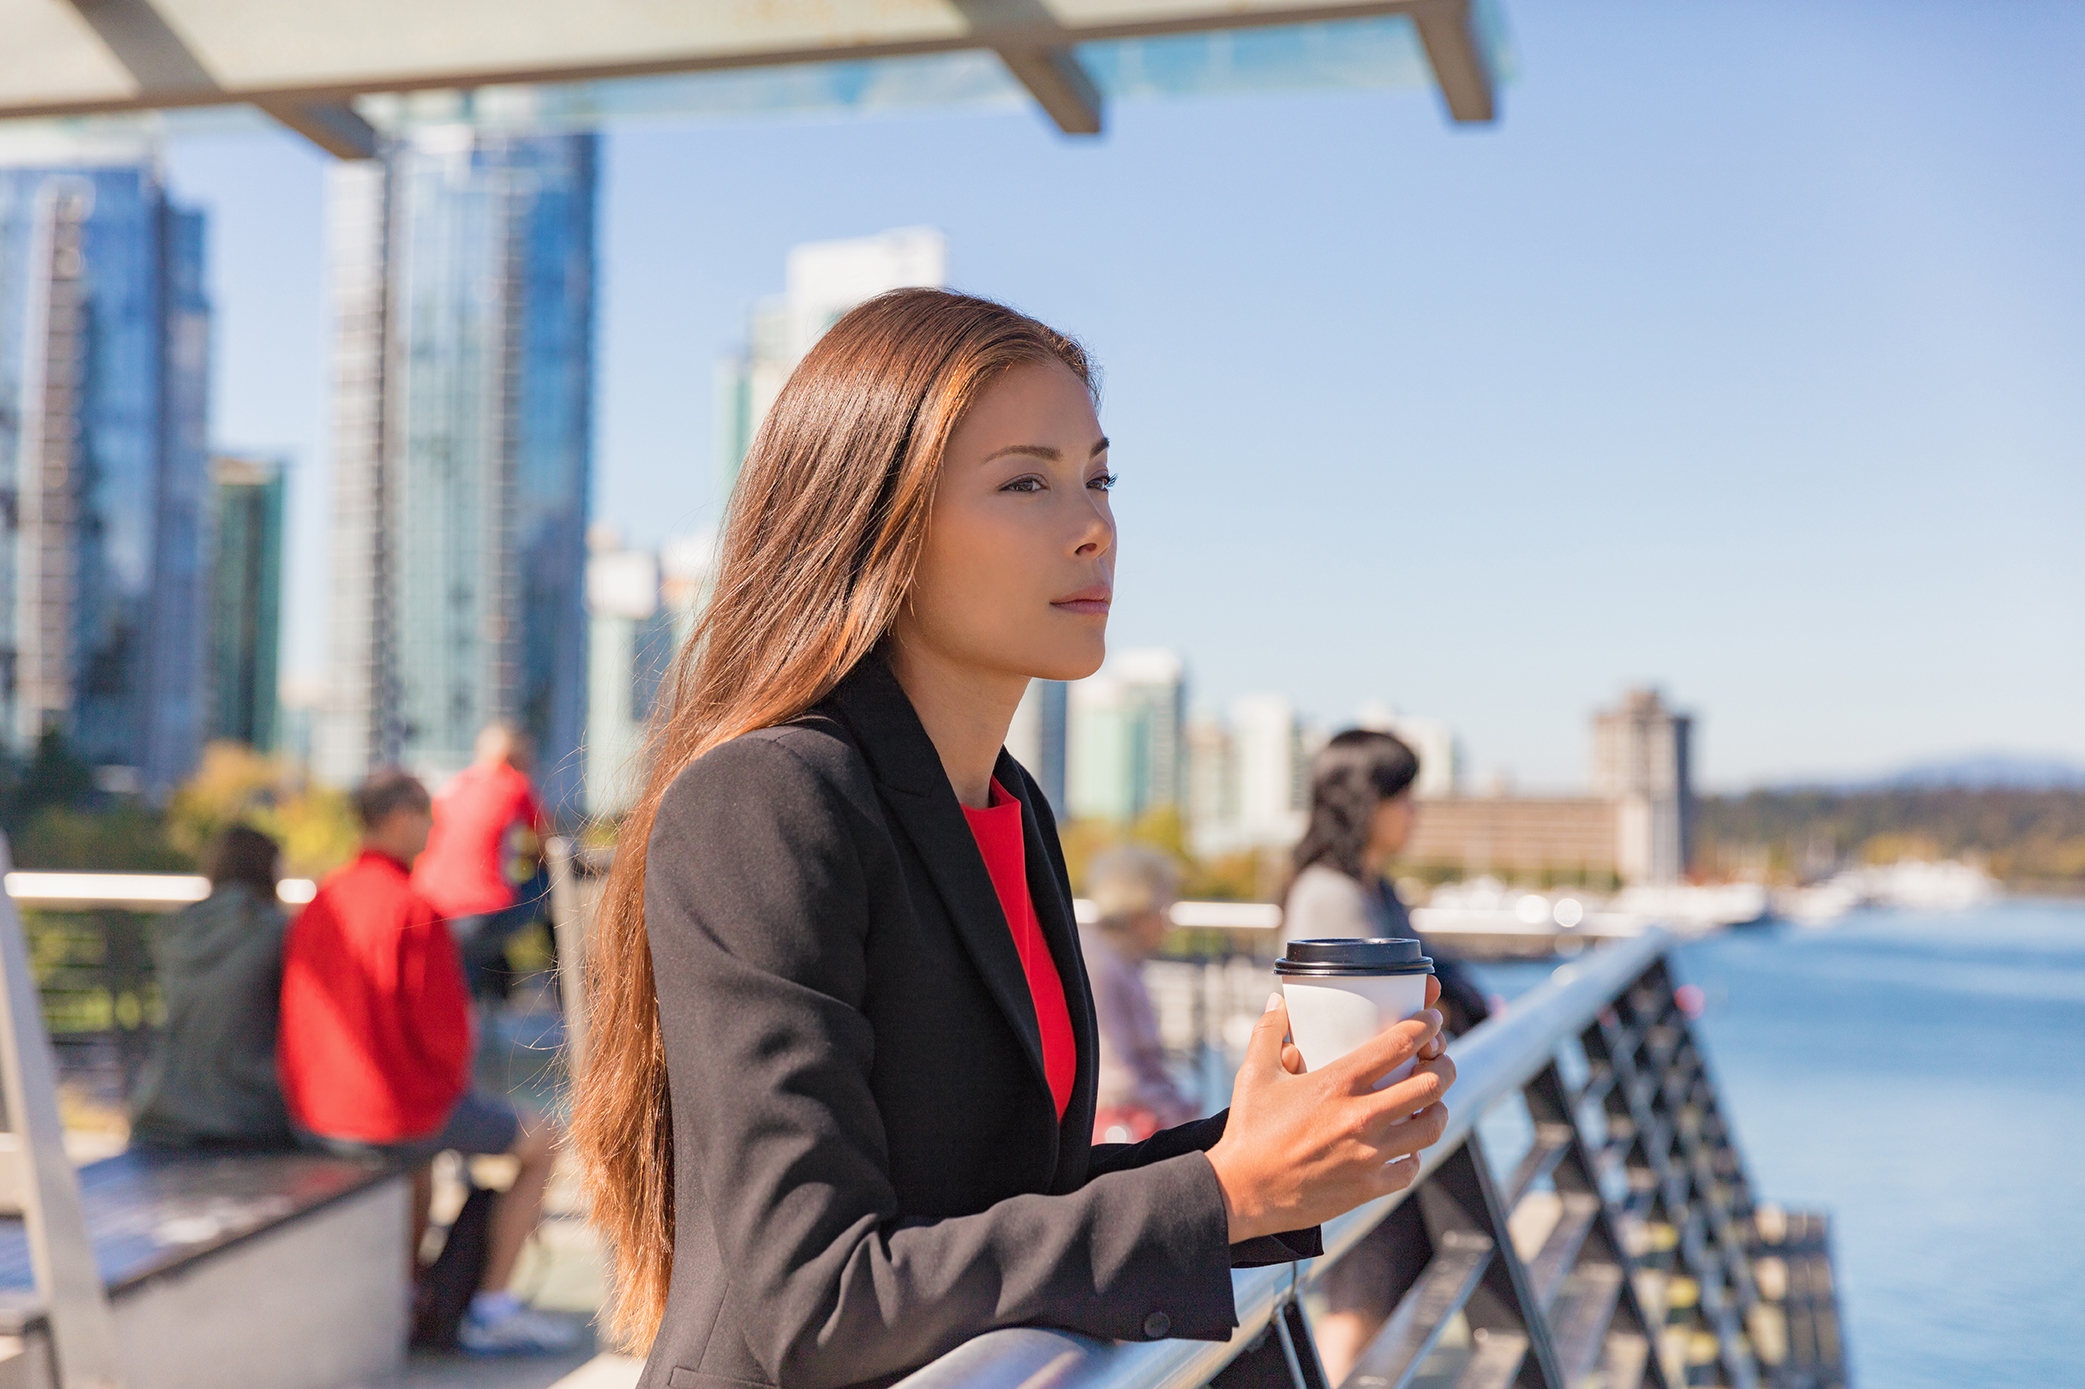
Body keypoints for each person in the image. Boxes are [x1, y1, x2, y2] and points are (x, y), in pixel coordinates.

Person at [569, 288, 1457, 1389]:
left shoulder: (1008, 807)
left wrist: (1277, 1146)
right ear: (872, 521)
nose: (1093, 526)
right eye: (1027, 481)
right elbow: (817, 1298)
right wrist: (1227, 1191)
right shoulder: (768, 800)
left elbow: (999, 1198)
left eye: (1098, 476)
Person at [279, 769, 576, 1355]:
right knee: (544, 1138)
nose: (434, 825)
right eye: (423, 814)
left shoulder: (323, 900)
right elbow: (445, 1040)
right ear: (393, 819)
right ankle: (492, 1308)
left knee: (423, 1151)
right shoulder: (412, 908)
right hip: (392, 1114)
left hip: (315, 1111)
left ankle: (410, 1295)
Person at [1281, 728, 1493, 1384]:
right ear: (1364, 802)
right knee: (1357, 1303)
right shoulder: (1331, 894)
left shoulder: (1371, 886)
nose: (1414, 812)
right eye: (1403, 796)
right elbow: (1353, 1026)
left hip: (1379, 1123)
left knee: (1372, 1296)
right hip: (1354, 1128)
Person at [128, 824, 295, 1150]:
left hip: (161, 1111)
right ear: (270, 872)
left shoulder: (176, 929)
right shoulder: (275, 932)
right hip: (247, 1119)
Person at [411, 725, 550, 1001]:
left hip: (431, 910)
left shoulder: (452, 787)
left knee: (471, 967)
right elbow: (550, 844)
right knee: (553, 884)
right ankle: (566, 990)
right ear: (515, 758)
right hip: (481, 912)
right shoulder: (514, 783)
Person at [1081, 846, 1197, 1142]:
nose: (1168, 922)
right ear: (1140, 908)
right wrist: (1176, 1112)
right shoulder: (1104, 966)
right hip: (1120, 1127)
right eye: (1164, 908)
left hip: (1132, 1115)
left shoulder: (1117, 959)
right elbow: (1114, 1073)